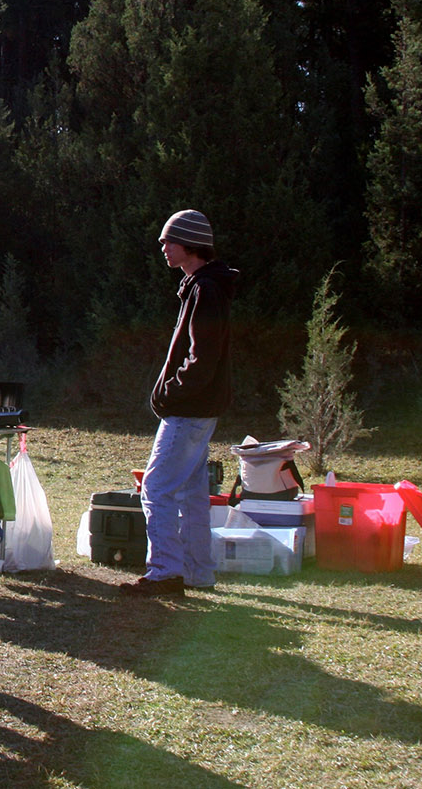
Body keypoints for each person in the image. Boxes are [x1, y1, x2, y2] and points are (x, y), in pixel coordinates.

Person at [120, 209, 239, 597]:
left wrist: (170, 393)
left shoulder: (206, 288)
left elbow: (201, 357)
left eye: (168, 241)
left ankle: (165, 573)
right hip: (199, 409)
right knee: (190, 492)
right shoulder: (201, 285)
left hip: (189, 410)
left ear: (189, 244)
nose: (163, 248)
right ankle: (197, 572)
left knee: (155, 488)